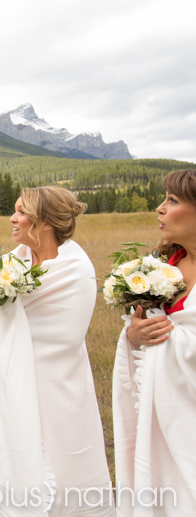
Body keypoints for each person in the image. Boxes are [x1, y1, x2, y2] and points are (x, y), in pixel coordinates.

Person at [0, 186, 114, 516]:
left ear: (45, 223)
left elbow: (67, 335)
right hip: (12, 387)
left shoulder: (74, 270)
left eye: (22, 212)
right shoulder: (9, 265)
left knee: (61, 462)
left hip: (58, 388)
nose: (12, 218)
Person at [113, 169, 196, 516]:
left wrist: (172, 337)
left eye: (172, 200)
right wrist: (133, 336)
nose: (160, 209)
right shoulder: (166, 267)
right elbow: (142, 329)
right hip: (156, 408)